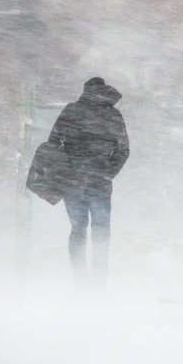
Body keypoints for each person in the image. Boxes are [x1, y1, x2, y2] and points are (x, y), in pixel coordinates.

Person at [47, 77, 130, 287]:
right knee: (101, 231)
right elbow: (123, 150)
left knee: (78, 229)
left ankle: (79, 278)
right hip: (99, 183)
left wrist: (64, 168)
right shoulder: (112, 114)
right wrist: (108, 171)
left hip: (72, 182)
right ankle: (99, 279)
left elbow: (53, 144)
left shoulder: (71, 111)